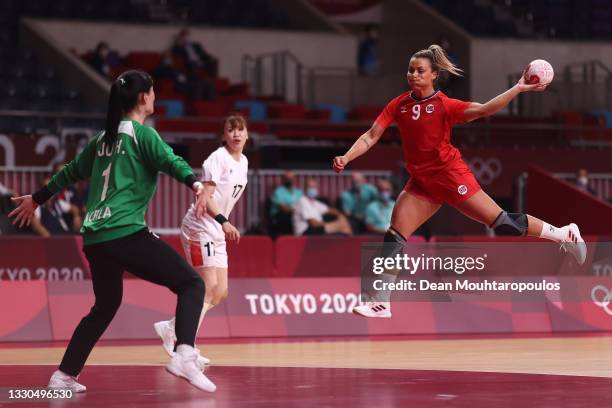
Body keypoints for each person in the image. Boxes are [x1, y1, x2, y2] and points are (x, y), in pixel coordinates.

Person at [332, 45, 587, 318]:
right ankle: (380, 302)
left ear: (434, 75)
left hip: (450, 176)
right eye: (410, 70)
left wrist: (518, 88)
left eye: (420, 71)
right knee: (394, 236)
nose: (413, 75)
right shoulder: (399, 104)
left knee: (503, 224)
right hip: (421, 183)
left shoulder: (445, 105)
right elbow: (371, 136)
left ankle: (564, 233)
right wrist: (347, 156)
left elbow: (485, 110)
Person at [9, 70, 216, 392]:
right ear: (145, 97)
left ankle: (63, 375)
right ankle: (184, 355)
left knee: (104, 306)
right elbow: (172, 161)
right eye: (153, 92)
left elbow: (70, 172)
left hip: (95, 239)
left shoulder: (102, 139)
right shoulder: (142, 134)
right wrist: (198, 184)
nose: (155, 97)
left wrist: (36, 199)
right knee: (191, 284)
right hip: (124, 232)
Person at [154, 114, 248, 365]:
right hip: (200, 227)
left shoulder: (244, 162)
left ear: (247, 134)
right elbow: (205, 198)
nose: (236, 134)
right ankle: (186, 345)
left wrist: (221, 223)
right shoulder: (217, 158)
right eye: (231, 130)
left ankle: (172, 328)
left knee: (220, 293)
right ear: (223, 135)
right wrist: (224, 221)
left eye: (241, 130)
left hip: (216, 229)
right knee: (205, 287)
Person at [269, 170, 303, 235]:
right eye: (287, 178)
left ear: (294, 179)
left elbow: (304, 204)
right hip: (281, 216)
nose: (289, 180)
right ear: (283, 179)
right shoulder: (278, 192)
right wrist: (298, 211)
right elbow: (284, 209)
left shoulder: (299, 192)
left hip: (296, 215)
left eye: (291, 178)